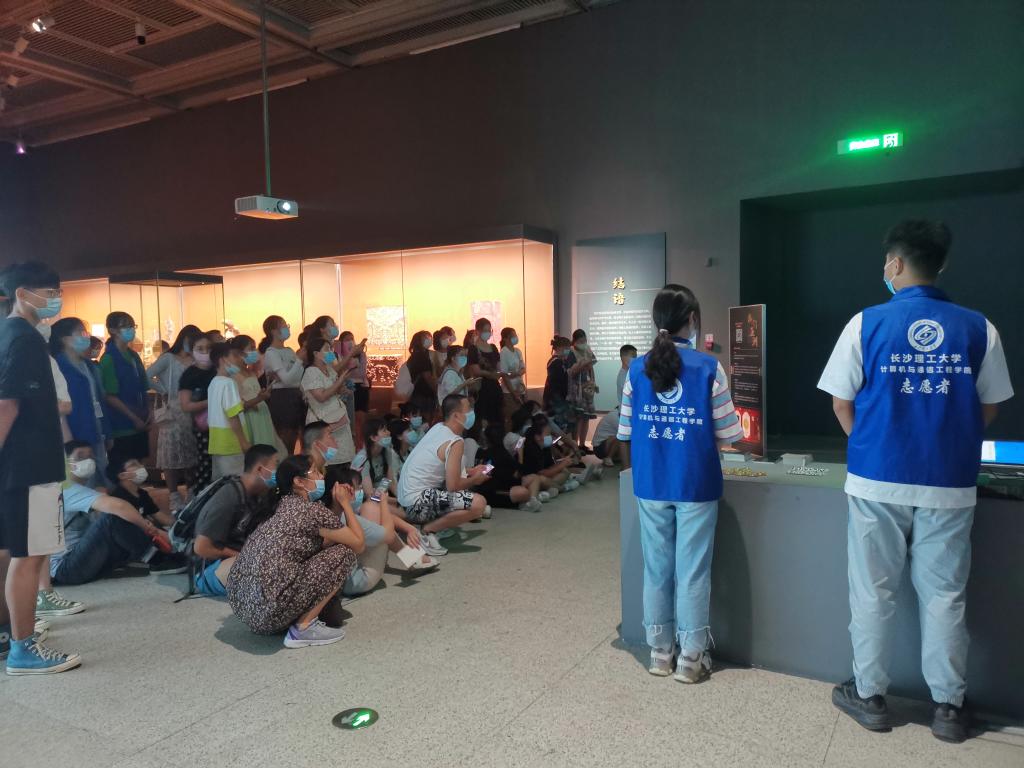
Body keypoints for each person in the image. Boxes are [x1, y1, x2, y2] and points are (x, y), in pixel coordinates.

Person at [817, 220, 1014, 743]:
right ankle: (948, 707)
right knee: (945, 595)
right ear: (940, 264)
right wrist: (949, 441)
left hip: (875, 482)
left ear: (896, 264)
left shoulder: (865, 324)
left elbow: (840, 403)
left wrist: (872, 444)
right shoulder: (979, 328)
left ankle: (870, 697)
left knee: (872, 592)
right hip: (948, 483)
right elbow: (990, 406)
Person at [618, 283, 742, 683]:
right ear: (692, 319)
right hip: (696, 484)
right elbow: (730, 433)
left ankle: (659, 652)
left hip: (651, 483)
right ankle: (690, 657)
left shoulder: (636, 369)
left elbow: (625, 431)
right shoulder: (709, 368)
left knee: (656, 569)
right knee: (693, 572)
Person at [0, 262, 81, 673]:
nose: (54, 299)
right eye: (48, 292)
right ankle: (22, 649)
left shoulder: (13, 334)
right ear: (21, 294)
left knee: (21, 553)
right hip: (30, 465)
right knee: (29, 556)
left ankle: (15, 636)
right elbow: (8, 405)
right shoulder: (23, 339)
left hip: (30, 464)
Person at [228, 455, 363, 648]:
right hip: (270, 613)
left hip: (248, 612)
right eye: (315, 472)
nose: (321, 477)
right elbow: (358, 544)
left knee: (331, 550)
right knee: (344, 553)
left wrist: (337, 508)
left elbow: (320, 542)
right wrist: (345, 504)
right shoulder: (311, 511)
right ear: (299, 481)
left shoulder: (280, 506)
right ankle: (304, 628)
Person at [51, 442, 187, 585]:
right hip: (66, 567)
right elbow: (118, 506)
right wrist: (150, 528)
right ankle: (156, 559)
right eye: (80, 456)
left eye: (90, 456)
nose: (88, 461)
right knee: (113, 517)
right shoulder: (66, 489)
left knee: (120, 521)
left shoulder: (86, 490)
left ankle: (166, 553)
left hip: (81, 558)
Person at [395, 394, 489, 554]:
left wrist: (471, 471)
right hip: (418, 503)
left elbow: (443, 470)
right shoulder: (455, 442)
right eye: (468, 409)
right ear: (456, 416)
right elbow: (453, 485)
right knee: (479, 504)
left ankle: (433, 525)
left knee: (461, 492)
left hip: (407, 500)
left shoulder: (438, 428)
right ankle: (427, 531)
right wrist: (475, 479)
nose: (472, 413)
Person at [193, 444, 279, 597]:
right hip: (210, 571)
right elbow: (201, 547)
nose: (278, 472)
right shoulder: (229, 496)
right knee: (264, 569)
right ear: (260, 469)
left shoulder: (257, 495)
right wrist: (243, 555)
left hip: (238, 561)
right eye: (276, 465)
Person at [147, 325, 203, 511]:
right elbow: (147, 375)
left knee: (191, 453)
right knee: (170, 454)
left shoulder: (196, 360)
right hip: (173, 410)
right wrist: (163, 389)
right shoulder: (169, 358)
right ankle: (173, 494)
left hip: (193, 409)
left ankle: (191, 490)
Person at [51, 316, 111, 486]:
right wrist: (69, 440)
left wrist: (107, 431)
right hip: (75, 434)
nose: (86, 336)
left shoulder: (90, 366)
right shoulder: (57, 367)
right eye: (80, 332)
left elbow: (99, 400)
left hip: (96, 431)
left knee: (102, 478)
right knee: (83, 481)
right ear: (65, 339)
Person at [99, 311, 151, 461]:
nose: (131, 330)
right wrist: (133, 418)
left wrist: (149, 412)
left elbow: (143, 387)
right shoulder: (109, 359)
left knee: (140, 464)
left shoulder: (133, 356)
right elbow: (110, 396)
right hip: (122, 426)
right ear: (112, 330)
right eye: (126, 326)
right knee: (125, 466)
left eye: (132, 326)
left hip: (141, 421)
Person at [301, 336, 355, 467]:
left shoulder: (329, 369)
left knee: (343, 459)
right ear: (316, 353)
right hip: (323, 420)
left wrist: (343, 388)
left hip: (339, 417)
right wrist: (339, 381)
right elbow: (321, 397)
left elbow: (334, 391)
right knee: (326, 460)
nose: (331, 352)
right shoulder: (311, 372)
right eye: (326, 349)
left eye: (331, 348)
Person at [231, 335, 286, 458]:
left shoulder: (251, 372)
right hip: (250, 418)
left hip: (262, 414)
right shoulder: (234, 376)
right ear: (239, 353)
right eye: (251, 348)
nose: (254, 352)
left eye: (254, 348)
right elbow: (239, 405)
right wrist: (259, 399)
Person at [260, 315, 305, 454]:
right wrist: (299, 360)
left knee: (297, 436)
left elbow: (298, 377)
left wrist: (290, 374)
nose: (287, 329)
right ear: (274, 331)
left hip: (296, 395)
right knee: (286, 439)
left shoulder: (289, 351)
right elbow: (287, 380)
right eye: (284, 326)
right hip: (282, 398)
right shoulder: (271, 353)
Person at [178, 334, 215, 495]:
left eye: (208, 348)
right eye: (200, 349)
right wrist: (210, 402)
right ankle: (200, 498)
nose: (205, 352)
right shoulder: (189, 375)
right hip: (202, 427)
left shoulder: (217, 369)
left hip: (223, 424)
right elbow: (186, 405)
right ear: (192, 351)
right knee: (205, 464)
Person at [207, 342, 251, 480]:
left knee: (220, 484)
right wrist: (244, 442)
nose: (239, 359)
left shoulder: (214, 382)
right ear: (223, 360)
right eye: (235, 356)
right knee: (235, 484)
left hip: (217, 443)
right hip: (232, 444)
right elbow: (233, 415)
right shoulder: (228, 383)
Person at [478, 422, 544, 512]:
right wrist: (520, 455)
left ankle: (532, 500)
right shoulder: (489, 454)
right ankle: (528, 501)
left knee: (534, 478)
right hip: (494, 492)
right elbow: (487, 477)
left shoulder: (502, 452)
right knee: (523, 492)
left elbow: (517, 472)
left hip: (507, 485)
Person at [107, 453, 173, 529]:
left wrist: (179, 523)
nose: (141, 466)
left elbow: (158, 515)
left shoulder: (142, 494)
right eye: (133, 464)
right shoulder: (118, 499)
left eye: (139, 463)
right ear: (123, 475)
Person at [519, 416, 576, 494]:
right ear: (537, 437)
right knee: (543, 479)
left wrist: (563, 462)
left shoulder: (545, 447)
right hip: (531, 480)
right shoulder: (530, 449)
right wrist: (562, 465)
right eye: (548, 434)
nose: (551, 437)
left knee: (564, 471)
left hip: (543, 477)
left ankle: (550, 488)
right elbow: (542, 473)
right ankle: (562, 488)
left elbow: (550, 466)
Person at [465, 318, 504, 428]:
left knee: (497, 417)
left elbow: (499, 366)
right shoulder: (473, 348)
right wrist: (491, 374)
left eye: (489, 330)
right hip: (481, 388)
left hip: (495, 386)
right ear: (478, 331)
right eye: (485, 330)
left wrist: (498, 373)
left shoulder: (493, 347)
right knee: (483, 419)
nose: (488, 333)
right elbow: (475, 370)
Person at [335, 331, 370, 451]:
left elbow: (361, 373)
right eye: (347, 339)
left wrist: (350, 367)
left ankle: (361, 445)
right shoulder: (338, 355)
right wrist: (349, 365)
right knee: (350, 419)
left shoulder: (361, 354)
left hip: (360, 387)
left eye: (352, 339)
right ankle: (352, 445)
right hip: (346, 387)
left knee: (360, 418)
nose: (350, 342)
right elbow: (338, 371)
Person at [567, 329, 597, 449]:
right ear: (574, 341)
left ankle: (582, 444)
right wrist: (582, 366)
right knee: (578, 417)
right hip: (576, 389)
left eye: (585, 341)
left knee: (586, 417)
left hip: (587, 387)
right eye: (580, 341)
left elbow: (592, 363)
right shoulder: (571, 352)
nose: (583, 343)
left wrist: (593, 382)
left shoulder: (587, 349)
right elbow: (570, 372)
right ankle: (575, 445)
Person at [543, 336, 574, 435]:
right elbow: (557, 382)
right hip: (555, 400)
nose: (568, 351)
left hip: (558, 399)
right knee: (557, 428)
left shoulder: (561, 362)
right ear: (560, 348)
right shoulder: (555, 362)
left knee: (562, 428)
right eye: (567, 348)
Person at [406, 330, 438, 421]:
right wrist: (437, 390)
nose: (430, 339)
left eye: (430, 337)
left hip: (417, 393)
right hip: (424, 394)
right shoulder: (421, 356)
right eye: (426, 338)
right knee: (426, 420)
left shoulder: (415, 355)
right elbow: (427, 377)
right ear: (418, 341)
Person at [499, 327, 527, 417]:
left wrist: (518, 373)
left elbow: (523, 368)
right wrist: (513, 392)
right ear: (505, 338)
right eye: (512, 336)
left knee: (523, 415)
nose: (515, 337)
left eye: (516, 335)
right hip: (509, 391)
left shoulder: (518, 351)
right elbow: (504, 374)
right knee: (513, 416)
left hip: (520, 388)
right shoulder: (503, 352)